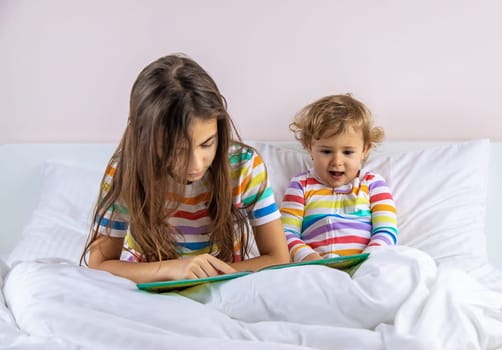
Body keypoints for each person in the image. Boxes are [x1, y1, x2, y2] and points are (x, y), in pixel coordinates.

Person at [80, 53, 289, 283]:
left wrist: (210, 277)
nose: (196, 165)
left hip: (227, 288)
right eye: (177, 150)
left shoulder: (244, 167)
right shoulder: (125, 172)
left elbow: (278, 257)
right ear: (145, 140)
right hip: (151, 290)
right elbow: (98, 265)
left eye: (207, 144)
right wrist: (174, 270)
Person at [280, 94, 398, 262]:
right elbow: (285, 233)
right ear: (309, 146)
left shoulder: (372, 184)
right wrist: (307, 257)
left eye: (348, 152)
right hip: (315, 268)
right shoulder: (301, 185)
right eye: (326, 151)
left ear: (365, 150)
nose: (337, 161)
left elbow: (386, 231)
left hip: (365, 265)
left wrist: (367, 259)